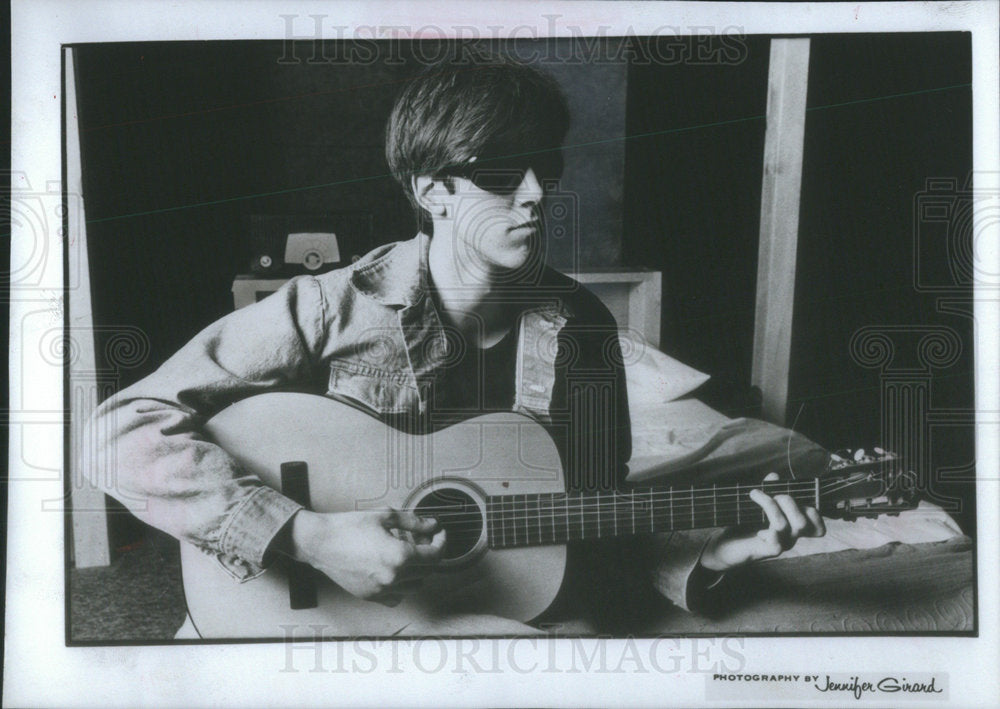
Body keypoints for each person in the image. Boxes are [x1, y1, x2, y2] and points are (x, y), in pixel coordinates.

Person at [84, 52, 824, 637]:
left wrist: (718, 554)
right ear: (431, 189)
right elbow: (115, 432)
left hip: (474, 611)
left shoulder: (586, 330)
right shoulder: (328, 307)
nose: (535, 194)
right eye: (501, 174)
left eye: (545, 169)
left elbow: (592, 519)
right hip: (307, 608)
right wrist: (307, 535)